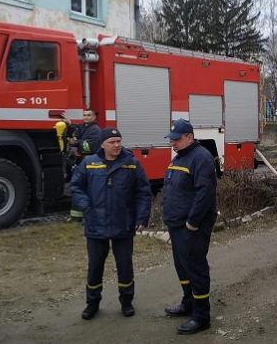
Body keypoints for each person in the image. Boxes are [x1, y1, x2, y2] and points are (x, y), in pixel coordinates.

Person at [70, 127, 151, 320]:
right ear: (102, 144)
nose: (116, 145)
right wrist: (87, 207)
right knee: (95, 266)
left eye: (118, 141)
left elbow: (143, 192)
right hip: (96, 224)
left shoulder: (132, 164)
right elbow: (76, 187)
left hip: (123, 223)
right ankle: (92, 303)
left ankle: (126, 301)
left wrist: (141, 218)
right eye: (112, 142)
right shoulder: (89, 163)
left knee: (125, 265)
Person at [162, 118, 218, 335]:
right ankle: (189, 303)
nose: (172, 143)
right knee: (182, 266)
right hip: (177, 224)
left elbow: (205, 193)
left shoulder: (201, 157)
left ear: (189, 137)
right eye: (171, 139)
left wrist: (192, 223)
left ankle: (202, 317)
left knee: (196, 268)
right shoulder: (180, 157)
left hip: (192, 227)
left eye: (176, 139)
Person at [62, 108, 101, 222]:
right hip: (81, 163)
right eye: (84, 115)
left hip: (90, 164)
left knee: (86, 190)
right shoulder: (84, 127)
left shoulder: (95, 130)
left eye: (88, 115)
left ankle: (87, 217)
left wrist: (75, 143)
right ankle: (76, 217)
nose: (86, 117)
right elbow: (77, 131)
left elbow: (90, 147)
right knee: (77, 188)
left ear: (94, 117)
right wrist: (69, 123)